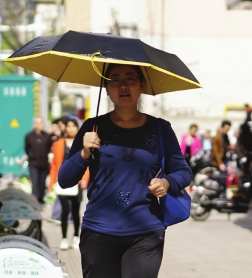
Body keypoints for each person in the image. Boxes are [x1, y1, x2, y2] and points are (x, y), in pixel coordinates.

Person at [57, 64, 192, 277]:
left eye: (130, 79)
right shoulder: (92, 128)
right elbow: (64, 180)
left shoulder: (160, 128)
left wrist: (167, 183)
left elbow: (183, 172)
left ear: (142, 85)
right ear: (107, 88)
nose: (123, 86)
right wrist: (84, 153)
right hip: (98, 232)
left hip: (145, 232)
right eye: (115, 80)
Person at [48, 119, 89, 250]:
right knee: (64, 211)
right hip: (63, 181)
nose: (71, 129)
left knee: (76, 211)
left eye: (74, 126)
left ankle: (76, 237)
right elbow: (55, 164)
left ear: (78, 128)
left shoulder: (84, 143)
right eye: (69, 126)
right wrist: (52, 181)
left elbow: (87, 163)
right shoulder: (58, 143)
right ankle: (64, 238)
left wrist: (85, 179)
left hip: (78, 182)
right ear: (65, 128)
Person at [24, 117, 53, 204]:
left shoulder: (47, 136)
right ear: (35, 124)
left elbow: (48, 148)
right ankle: (35, 199)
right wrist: (32, 156)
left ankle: (41, 198)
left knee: (42, 182)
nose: (41, 125)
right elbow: (27, 148)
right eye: (39, 123)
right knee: (35, 181)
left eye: (42, 123)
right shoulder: (29, 136)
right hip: (33, 163)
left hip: (44, 163)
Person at [210, 120, 232, 198]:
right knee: (222, 178)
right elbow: (216, 151)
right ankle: (220, 195)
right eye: (226, 129)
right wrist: (220, 163)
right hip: (218, 161)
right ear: (222, 128)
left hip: (224, 160)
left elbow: (227, 146)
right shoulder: (217, 137)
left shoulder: (225, 136)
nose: (227, 131)